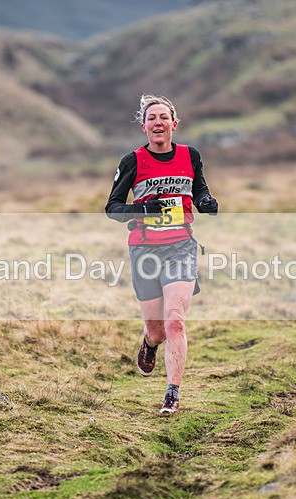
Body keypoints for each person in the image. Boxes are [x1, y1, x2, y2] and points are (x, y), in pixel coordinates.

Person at [105, 94, 218, 415]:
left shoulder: (190, 156)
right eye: (152, 118)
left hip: (181, 246)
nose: (158, 123)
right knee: (157, 331)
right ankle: (148, 343)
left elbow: (200, 190)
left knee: (175, 323)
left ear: (174, 124)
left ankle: (172, 392)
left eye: (163, 118)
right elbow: (112, 209)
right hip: (145, 250)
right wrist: (143, 209)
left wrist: (207, 201)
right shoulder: (132, 162)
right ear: (144, 126)